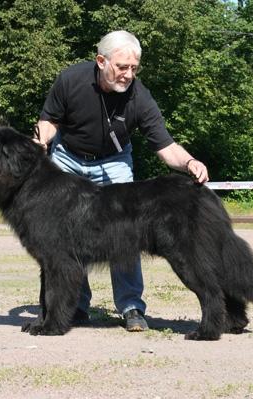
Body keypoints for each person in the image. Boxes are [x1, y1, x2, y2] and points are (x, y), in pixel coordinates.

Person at [33, 30, 209, 332]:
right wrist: (42, 142)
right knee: (67, 238)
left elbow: (166, 147)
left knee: (126, 233)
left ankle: (131, 307)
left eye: (134, 68)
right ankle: (74, 306)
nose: (128, 75)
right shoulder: (71, 80)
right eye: (122, 67)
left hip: (114, 162)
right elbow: (49, 120)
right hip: (69, 158)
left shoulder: (140, 97)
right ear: (101, 61)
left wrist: (190, 162)